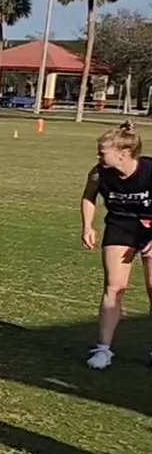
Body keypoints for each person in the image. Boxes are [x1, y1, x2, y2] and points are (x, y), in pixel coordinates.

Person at [80, 122, 152, 369]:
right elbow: (89, 196)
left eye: (102, 152)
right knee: (114, 287)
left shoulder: (149, 171)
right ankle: (103, 350)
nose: (98, 156)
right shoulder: (100, 172)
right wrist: (87, 226)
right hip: (121, 225)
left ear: (123, 153)